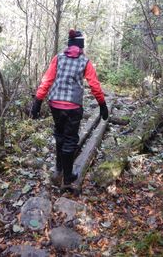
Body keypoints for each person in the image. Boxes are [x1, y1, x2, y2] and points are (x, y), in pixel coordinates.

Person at [30, 29, 108, 189]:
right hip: (73, 106)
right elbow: (94, 85)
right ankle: (67, 176)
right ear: (80, 46)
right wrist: (102, 104)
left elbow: (47, 80)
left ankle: (59, 167)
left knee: (59, 135)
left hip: (55, 104)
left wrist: (37, 101)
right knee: (70, 139)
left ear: (69, 45)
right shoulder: (85, 62)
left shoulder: (58, 58)